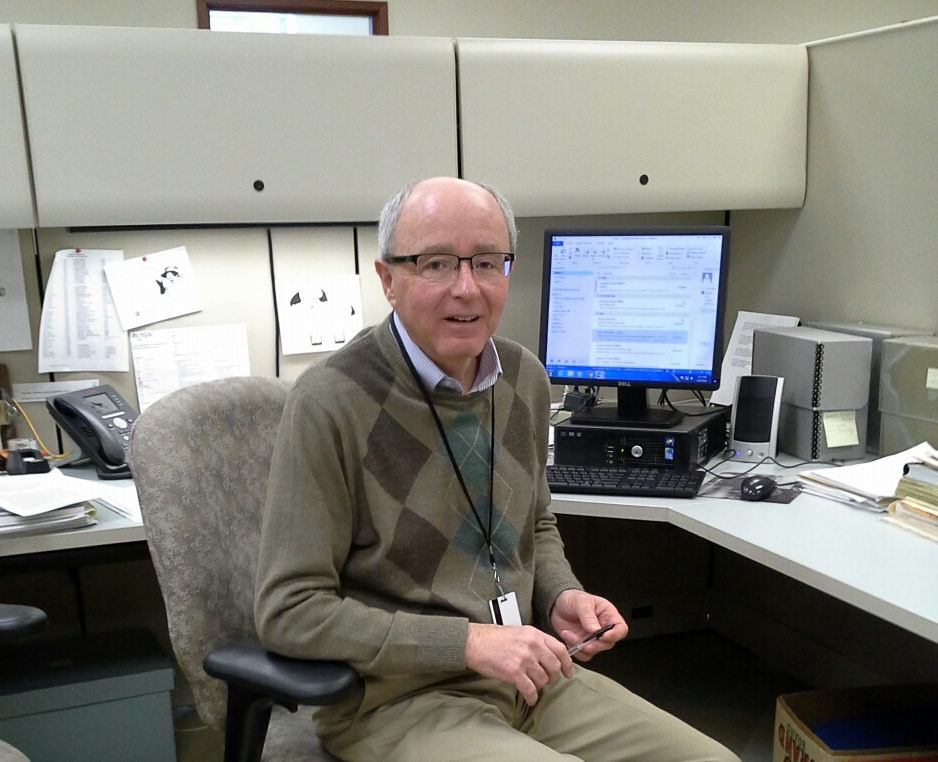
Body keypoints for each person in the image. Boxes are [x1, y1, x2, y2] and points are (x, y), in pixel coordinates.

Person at [255, 177, 740, 762]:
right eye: (435, 264)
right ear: (388, 279)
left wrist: (561, 595)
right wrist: (467, 643)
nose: (466, 288)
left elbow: (535, 524)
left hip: (529, 678)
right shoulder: (329, 402)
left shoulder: (524, 379)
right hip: (395, 701)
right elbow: (289, 611)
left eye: (486, 262)